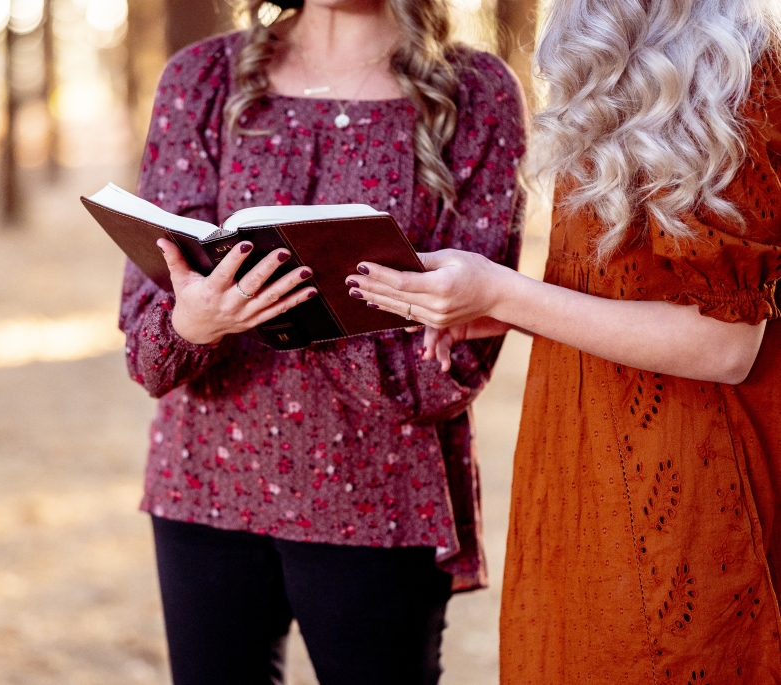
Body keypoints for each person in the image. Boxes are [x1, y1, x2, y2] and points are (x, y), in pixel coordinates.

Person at [344, 0, 781, 682]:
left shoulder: (737, 70)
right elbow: (637, 295)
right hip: (583, 475)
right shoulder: (607, 55)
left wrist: (503, 293)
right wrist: (511, 311)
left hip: (693, 502)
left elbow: (726, 345)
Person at [116, 0, 526, 681]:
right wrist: (194, 322)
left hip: (383, 496)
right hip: (206, 482)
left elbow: (451, 365)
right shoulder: (201, 78)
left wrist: (277, 307)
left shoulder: (477, 92)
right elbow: (147, 346)